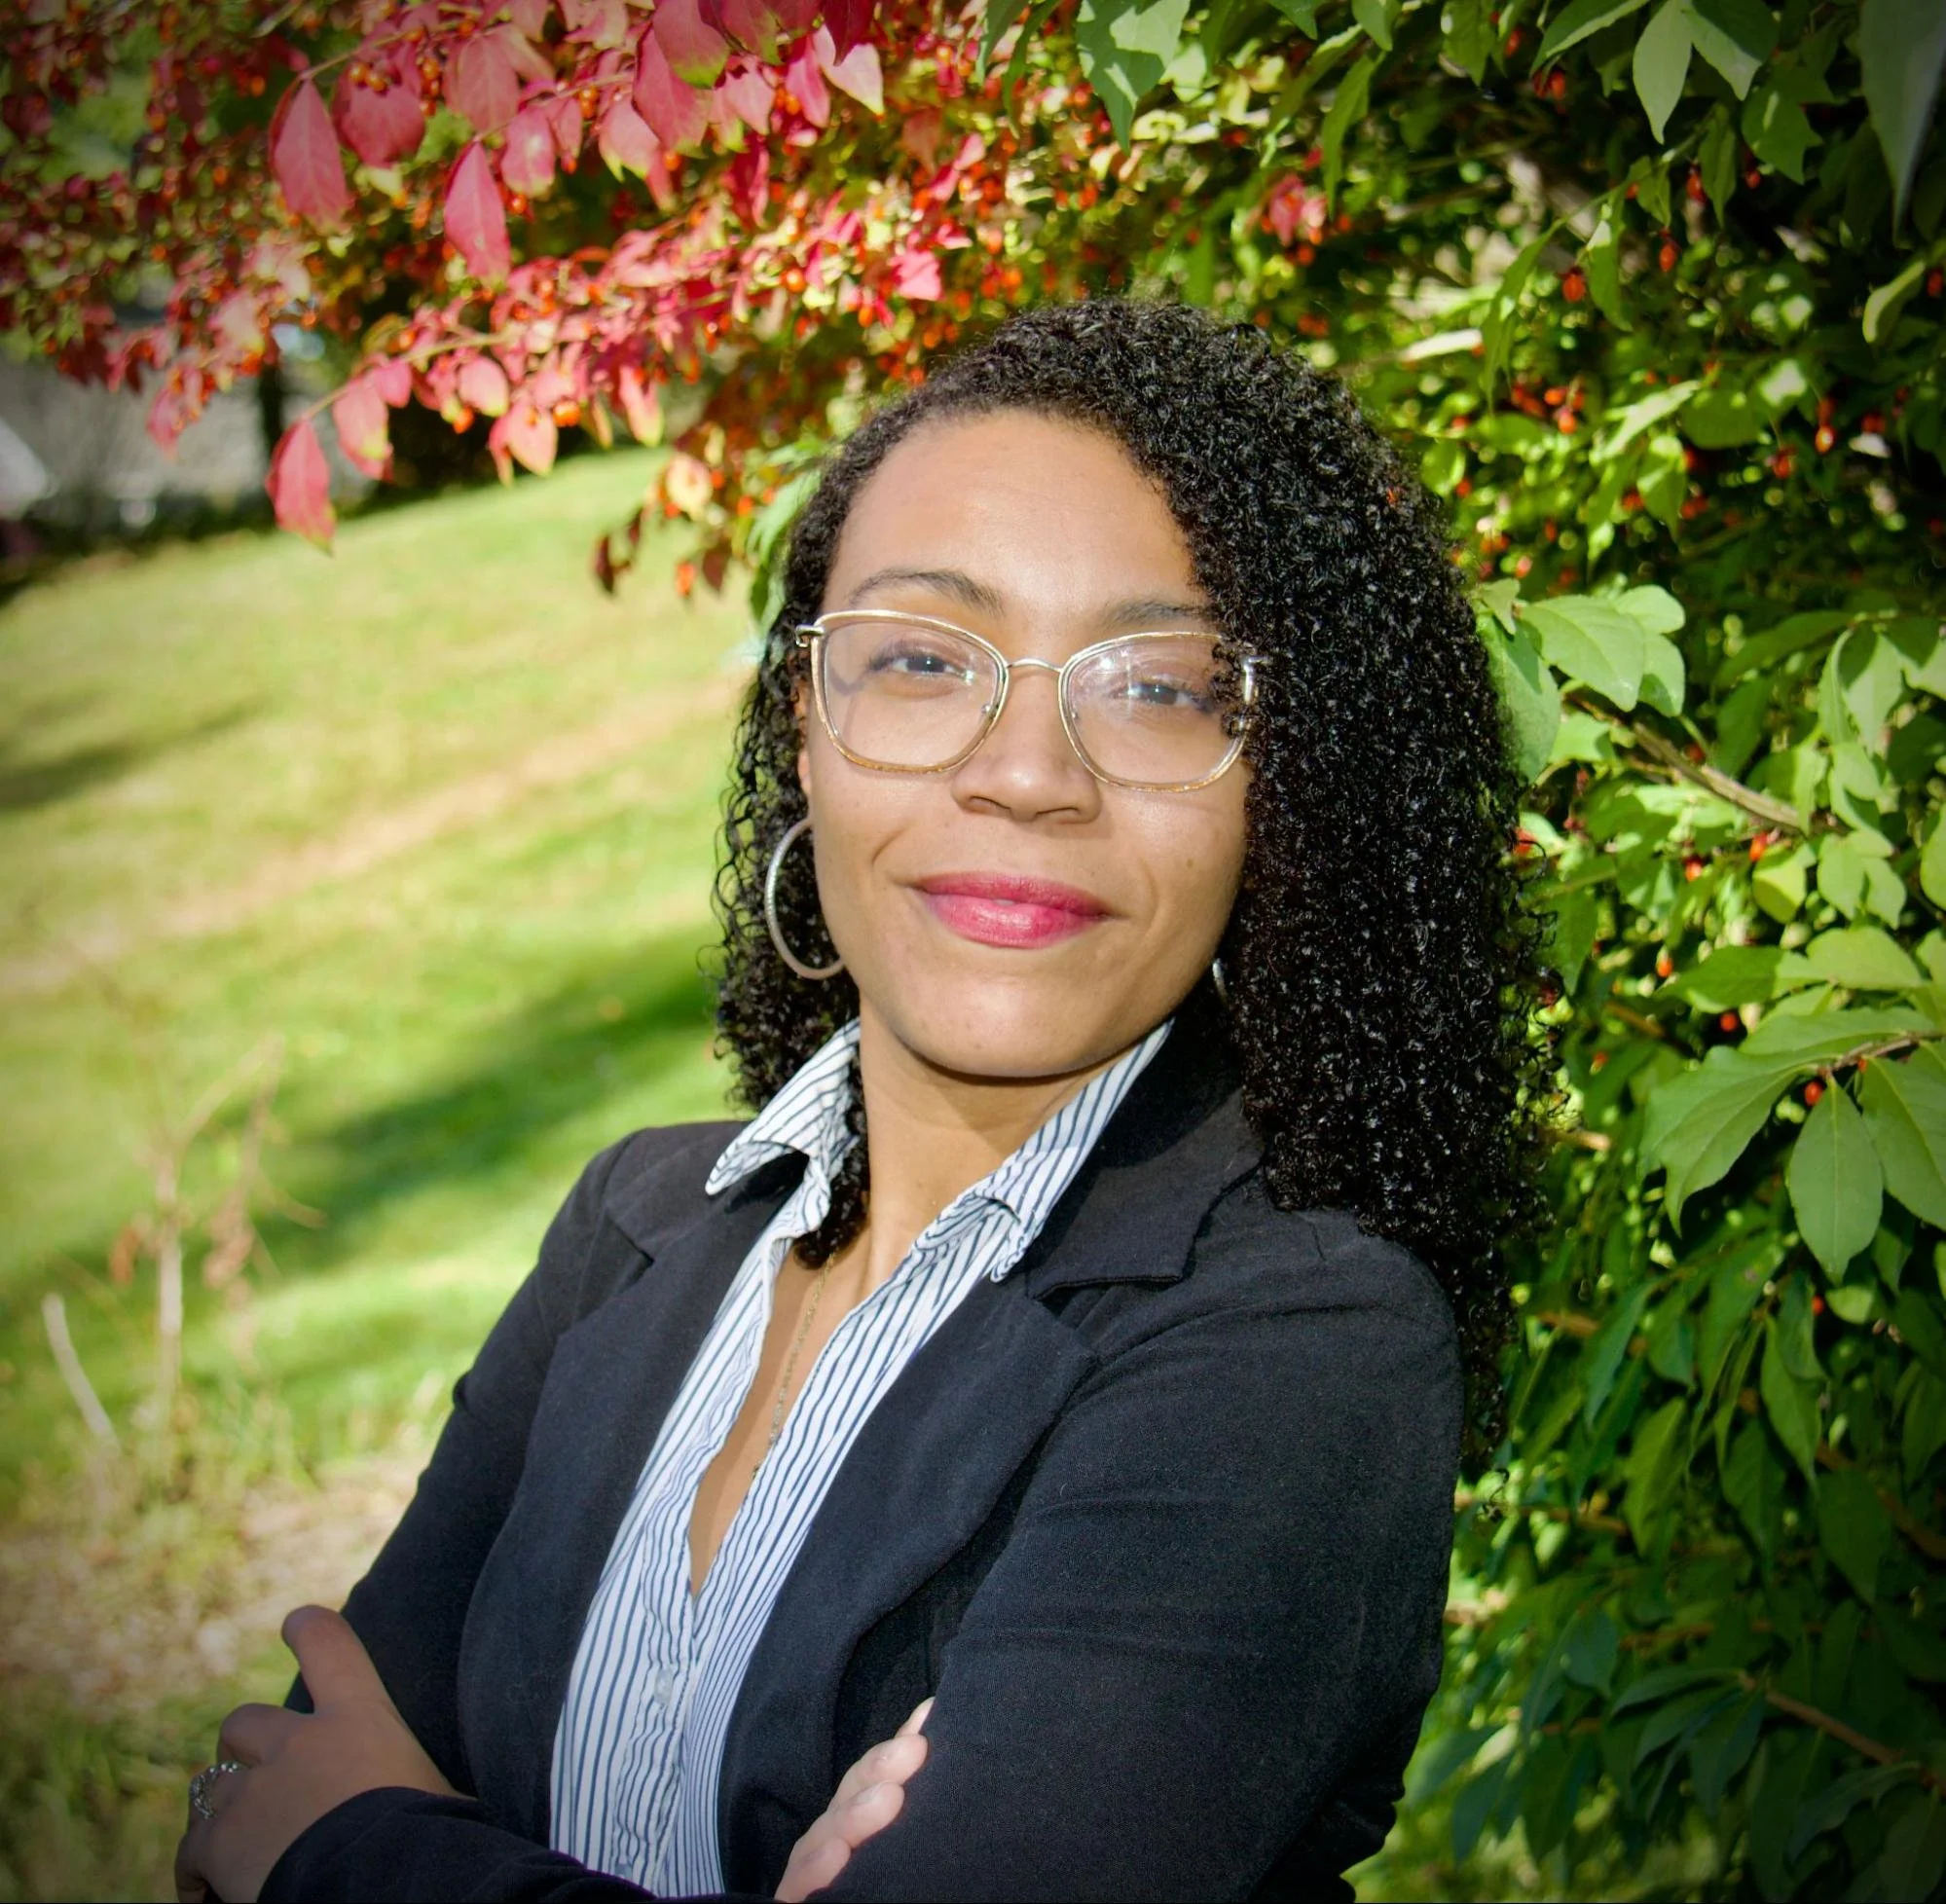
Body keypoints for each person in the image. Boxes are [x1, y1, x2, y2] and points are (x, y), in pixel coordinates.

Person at [174, 297, 1549, 1904]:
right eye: (917, 659)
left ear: (1282, 789)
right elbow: (245, 1811)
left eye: (1156, 686)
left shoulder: (1300, 1342)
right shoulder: (635, 1226)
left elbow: (300, 1825)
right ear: (806, 732)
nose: (1028, 771)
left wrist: (356, 1854)